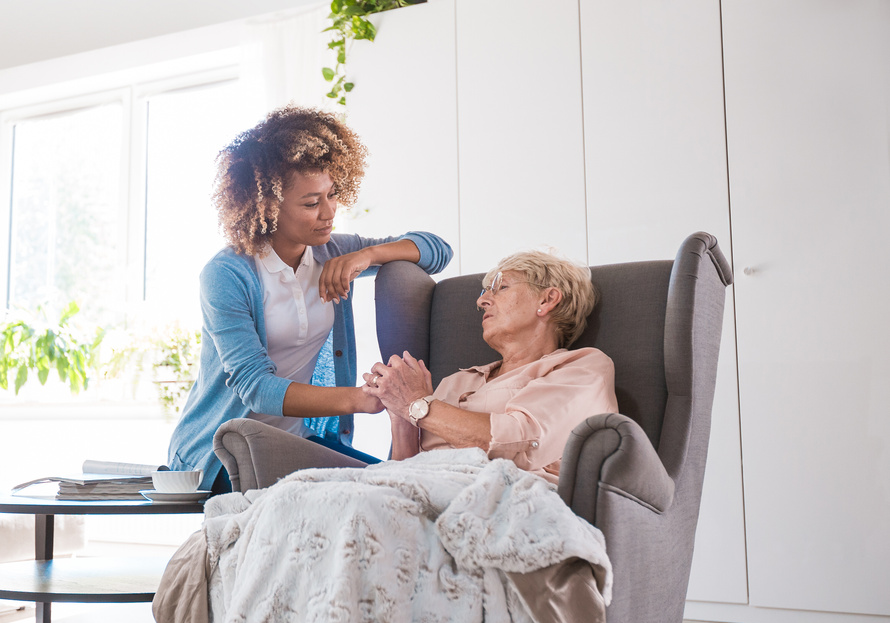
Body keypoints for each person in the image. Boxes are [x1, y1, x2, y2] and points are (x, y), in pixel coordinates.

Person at [166, 105, 453, 492]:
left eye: (333, 195)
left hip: (295, 445)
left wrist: (366, 256)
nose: (329, 212)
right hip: (223, 454)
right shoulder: (227, 275)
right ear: (266, 206)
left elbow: (437, 250)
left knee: (391, 486)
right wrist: (359, 398)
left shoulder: (332, 251)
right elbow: (256, 387)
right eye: (311, 203)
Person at [362, 249, 616, 483]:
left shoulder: (581, 369)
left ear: (547, 300)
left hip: (509, 498)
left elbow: (519, 443)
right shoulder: (455, 382)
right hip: (423, 495)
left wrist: (416, 404)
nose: (482, 300)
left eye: (501, 287)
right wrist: (401, 415)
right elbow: (401, 476)